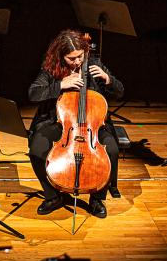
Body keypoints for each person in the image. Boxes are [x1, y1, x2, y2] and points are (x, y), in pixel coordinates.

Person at [28, 29, 124, 218]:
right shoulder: (51, 68)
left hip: (94, 125)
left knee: (111, 150)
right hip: (61, 122)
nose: (78, 62)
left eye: (80, 56)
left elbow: (120, 91)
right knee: (37, 149)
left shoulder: (94, 63)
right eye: (72, 58)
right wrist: (59, 85)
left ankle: (96, 199)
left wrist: (108, 79)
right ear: (61, 55)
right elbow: (33, 93)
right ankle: (53, 196)